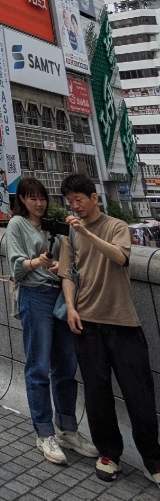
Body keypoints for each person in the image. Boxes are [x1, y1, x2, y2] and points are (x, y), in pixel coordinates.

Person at [58, 173, 160, 485]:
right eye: (71, 202)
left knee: (139, 395)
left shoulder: (115, 226)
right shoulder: (70, 234)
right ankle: (108, 454)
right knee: (97, 395)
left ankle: (153, 461)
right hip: (87, 323)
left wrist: (86, 233)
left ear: (94, 198)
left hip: (123, 323)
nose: (76, 207)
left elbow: (120, 257)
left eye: (80, 200)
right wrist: (71, 309)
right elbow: (66, 274)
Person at [5, 177, 96, 465]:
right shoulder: (16, 225)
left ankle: (68, 429)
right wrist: (38, 262)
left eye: (42, 198)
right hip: (34, 296)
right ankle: (44, 432)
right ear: (21, 199)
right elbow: (16, 268)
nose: (39, 203)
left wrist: (58, 265)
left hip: (60, 296)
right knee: (38, 366)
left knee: (66, 366)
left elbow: (71, 261)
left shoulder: (51, 225)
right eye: (32, 198)